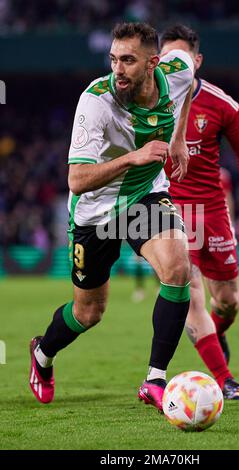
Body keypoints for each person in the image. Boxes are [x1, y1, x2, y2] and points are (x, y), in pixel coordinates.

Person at [29, 22, 195, 412]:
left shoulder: (178, 69)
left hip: (145, 196)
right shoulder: (96, 101)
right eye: (113, 59)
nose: (117, 69)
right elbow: (76, 179)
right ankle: (42, 354)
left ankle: (155, 380)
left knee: (177, 268)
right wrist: (133, 157)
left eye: (128, 60)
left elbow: (191, 83)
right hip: (95, 212)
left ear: (154, 63)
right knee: (89, 313)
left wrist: (179, 136)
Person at [161, 25, 239, 399]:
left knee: (229, 302)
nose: (175, 66)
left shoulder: (222, 104)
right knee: (190, 294)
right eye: (167, 59)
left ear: (197, 61)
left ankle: (212, 334)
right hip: (168, 211)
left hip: (214, 212)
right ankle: (224, 378)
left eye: (182, 58)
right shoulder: (148, 103)